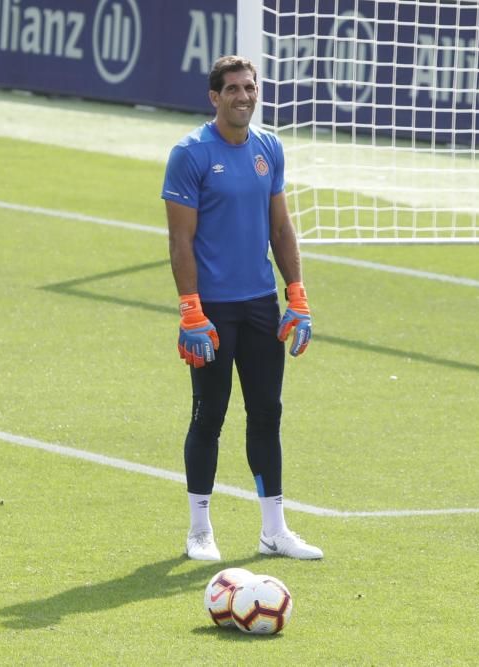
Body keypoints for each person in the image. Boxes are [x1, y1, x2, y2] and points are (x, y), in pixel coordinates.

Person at [161, 55, 322, 561]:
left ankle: (274, 530)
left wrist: (296, 294)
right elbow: (180, 240)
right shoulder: (189, 154)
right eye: (232, 89)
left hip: (259, 306)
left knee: (267, 414)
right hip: (211, 312)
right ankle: (199, 531)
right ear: (214, 97)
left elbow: (280, 227)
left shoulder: (269, 148)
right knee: (209, 416)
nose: (243, 96)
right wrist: (191, 310)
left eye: (250, 87)